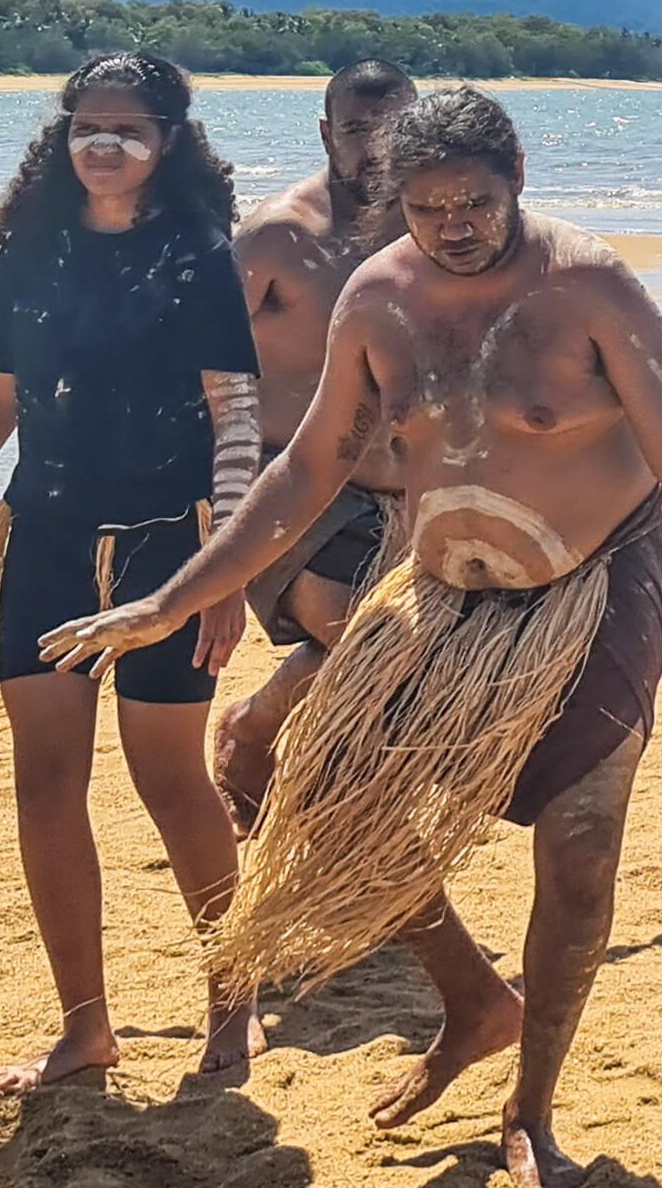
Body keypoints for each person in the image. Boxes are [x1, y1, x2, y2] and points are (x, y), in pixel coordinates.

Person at [39, 84, 662, 1188]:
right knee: (296, 773)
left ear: (518, 180)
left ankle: (535, 1113)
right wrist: (175, 598)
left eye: (475, 200)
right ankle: (475, 997)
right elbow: (306, 470)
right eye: (428, 206)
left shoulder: (594, 290)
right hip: (440, 600)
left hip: (592, 593)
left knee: (579, 855)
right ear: (393, 201)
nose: (454, 223)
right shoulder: (376, 299)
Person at [0, 52, 261, 1089]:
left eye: (129, 129)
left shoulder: (197, 254)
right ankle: (84, 1029)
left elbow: (236, 416)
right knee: (45, 786)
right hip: (45, 543)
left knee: (170, 782)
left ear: (168, 141)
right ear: (63, 134)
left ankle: (234, 1002)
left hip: (164, 558)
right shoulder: (28, 254)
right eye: (88, 125)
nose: (106, 144)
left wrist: (223, 571)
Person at [213, 57, 418, 831]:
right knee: (370, 637)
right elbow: (202, 367)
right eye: (359, 129)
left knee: (390, 648)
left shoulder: (433, 230)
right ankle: (344, 811)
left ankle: (255, 724)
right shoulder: (277, 236)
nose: (376, 146)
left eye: (394, 127)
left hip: (406, 493)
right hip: (291, 483)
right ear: (327, 132)